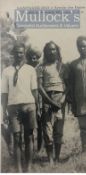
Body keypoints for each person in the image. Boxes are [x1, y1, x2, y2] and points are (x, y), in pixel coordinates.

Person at [1, 42, 38, 172]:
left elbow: (35, 91)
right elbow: (4, 93)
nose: (19, 54)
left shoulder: (30, 69)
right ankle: (19, 170)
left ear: (24, 54)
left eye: (21, 52)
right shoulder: (6, 71)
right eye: (16, 52)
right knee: (16, 137)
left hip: (29, 106)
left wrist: (36, 108)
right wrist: (3, 110)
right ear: (13, 53)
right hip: (13, 108)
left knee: (29, 136)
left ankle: (28, 168)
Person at [37, 41, 66, 165]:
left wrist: (62, 100)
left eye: (54, 49)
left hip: (60, 99)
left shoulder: (62, 66)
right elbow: (39, 86)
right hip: (47, 100)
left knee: (58, 130)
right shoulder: (41, 67)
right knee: (48, 131)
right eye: (49, 49)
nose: (51, 51)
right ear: (45, 51)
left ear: (57, 51)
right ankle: (50, 160)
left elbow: (68, 86)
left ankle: (57, 157)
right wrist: (50, 101)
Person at [26, 46, 43, 152]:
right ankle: (30, 148)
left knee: (41, 125)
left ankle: (39, 148)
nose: (34, 59)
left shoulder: (41, 68)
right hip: (29, 98)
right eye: (32, 57)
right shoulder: (25, 68)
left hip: (40, 98)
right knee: (30, 126)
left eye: (36, 57)